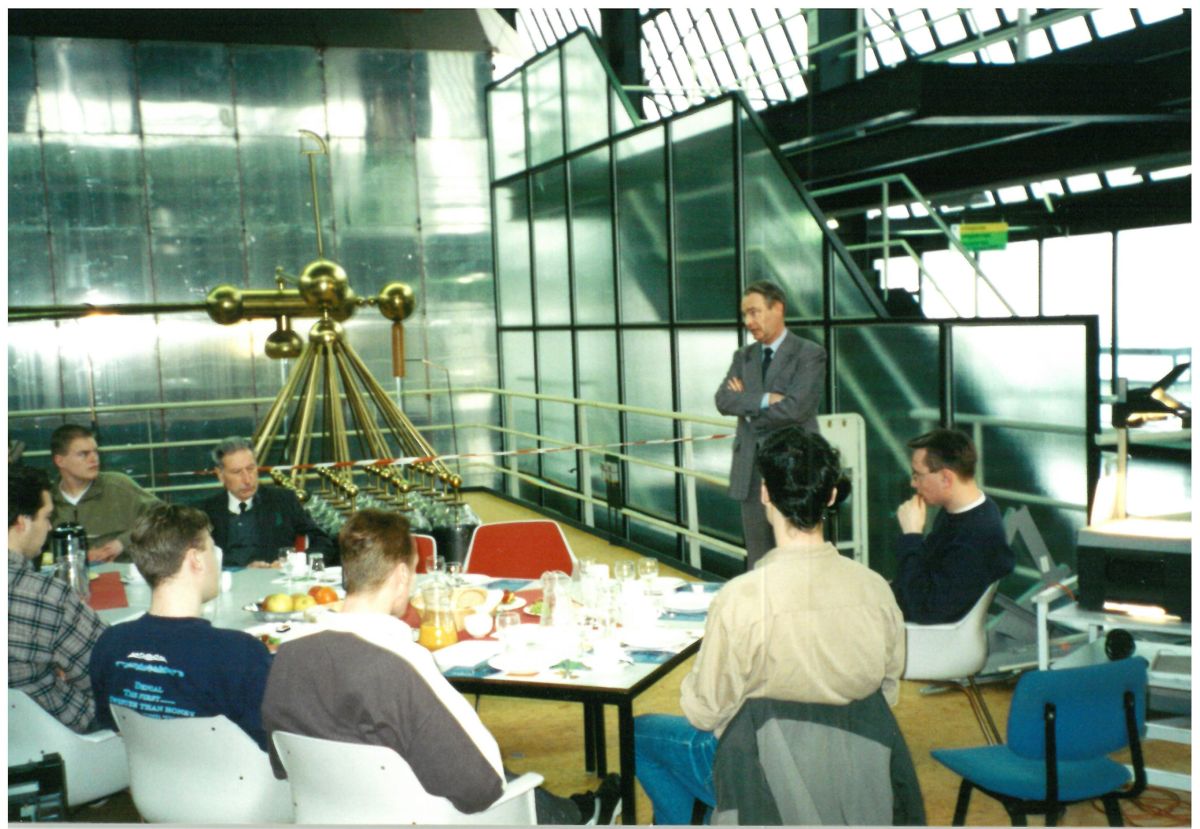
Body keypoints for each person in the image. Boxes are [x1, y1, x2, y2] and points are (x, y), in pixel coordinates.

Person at [261, 509, 621, 824]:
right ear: (401, 576)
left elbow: (283, 762)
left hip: (329, 812)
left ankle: (576, 808)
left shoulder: (289, 655)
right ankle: (585, 814)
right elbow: (482, 786)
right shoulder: (401, 663)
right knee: (513, 782)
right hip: (421, 815)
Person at [633, 427, 905, 825]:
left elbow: (704, 713)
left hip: (761, 777)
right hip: (855, 773)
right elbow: (887, 692)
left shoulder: (741, 598)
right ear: (831, 496)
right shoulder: (876, 588)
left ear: (764, 494)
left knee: (638, 735)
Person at [89, 503, 273, 750]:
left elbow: (112, 725)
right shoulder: (240, 653)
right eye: (212, 549)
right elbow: (271, 745)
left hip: (147, 773)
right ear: (196, 559)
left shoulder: (110, 643)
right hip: (231, 774)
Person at [714, 281, 826, 569]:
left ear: (778, 308)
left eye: (754, 312)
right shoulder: (743, 356)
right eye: (744, 314)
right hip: (751, 472)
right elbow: (723, 400)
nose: (748, 322)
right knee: (759, 559)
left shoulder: (809, 353)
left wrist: (747, 407)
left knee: (800, 557)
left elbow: (797, 407)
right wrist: (765, 399)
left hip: (794, 469)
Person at [8, 464, 108, 732]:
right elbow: (106, 672)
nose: (49, 527)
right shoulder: (47, 596)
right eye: (46, 517)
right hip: (61, 739)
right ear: (22, 522)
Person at [892, 428, 1015, 624]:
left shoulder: (976, 538)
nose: (913, 484)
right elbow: (925, 570)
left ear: (946, 478)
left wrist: (911, 535)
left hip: (929, 631)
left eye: (917, 475)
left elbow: (924, 609)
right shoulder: (965, 511)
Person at [199, 436, 336, 568]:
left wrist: (301, 565)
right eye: (237, 472)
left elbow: (324, 543)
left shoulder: (283, 500)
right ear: (220, 475)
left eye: (251, 469)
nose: (247, 479)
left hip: (277, 579)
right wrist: (243, 569)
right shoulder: (205, 511)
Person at [49, 423, 160, 563]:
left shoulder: (118, 486)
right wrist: (80, 557)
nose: (94, 459)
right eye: (83, 454)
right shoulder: (47, 500)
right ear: (60, 461)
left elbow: (163, 517)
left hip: (122, 571)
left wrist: (123, 543)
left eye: (95, 452)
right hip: (68, 574)